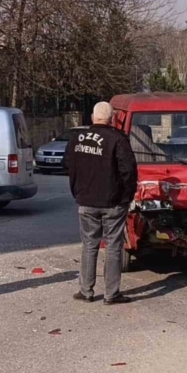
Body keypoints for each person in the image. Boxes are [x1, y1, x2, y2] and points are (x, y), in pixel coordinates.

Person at [65, 102, 138, 305]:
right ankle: (111, 294)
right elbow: (129, 172)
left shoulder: (76, 138)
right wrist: (127, 196)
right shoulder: (118, 139)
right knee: (114, 246)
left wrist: (78, 189)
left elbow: (68, 165)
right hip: (113, 202)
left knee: (89, 245)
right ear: (112, 118)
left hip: (86, 200)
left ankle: (86, 291)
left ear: (92, 117)